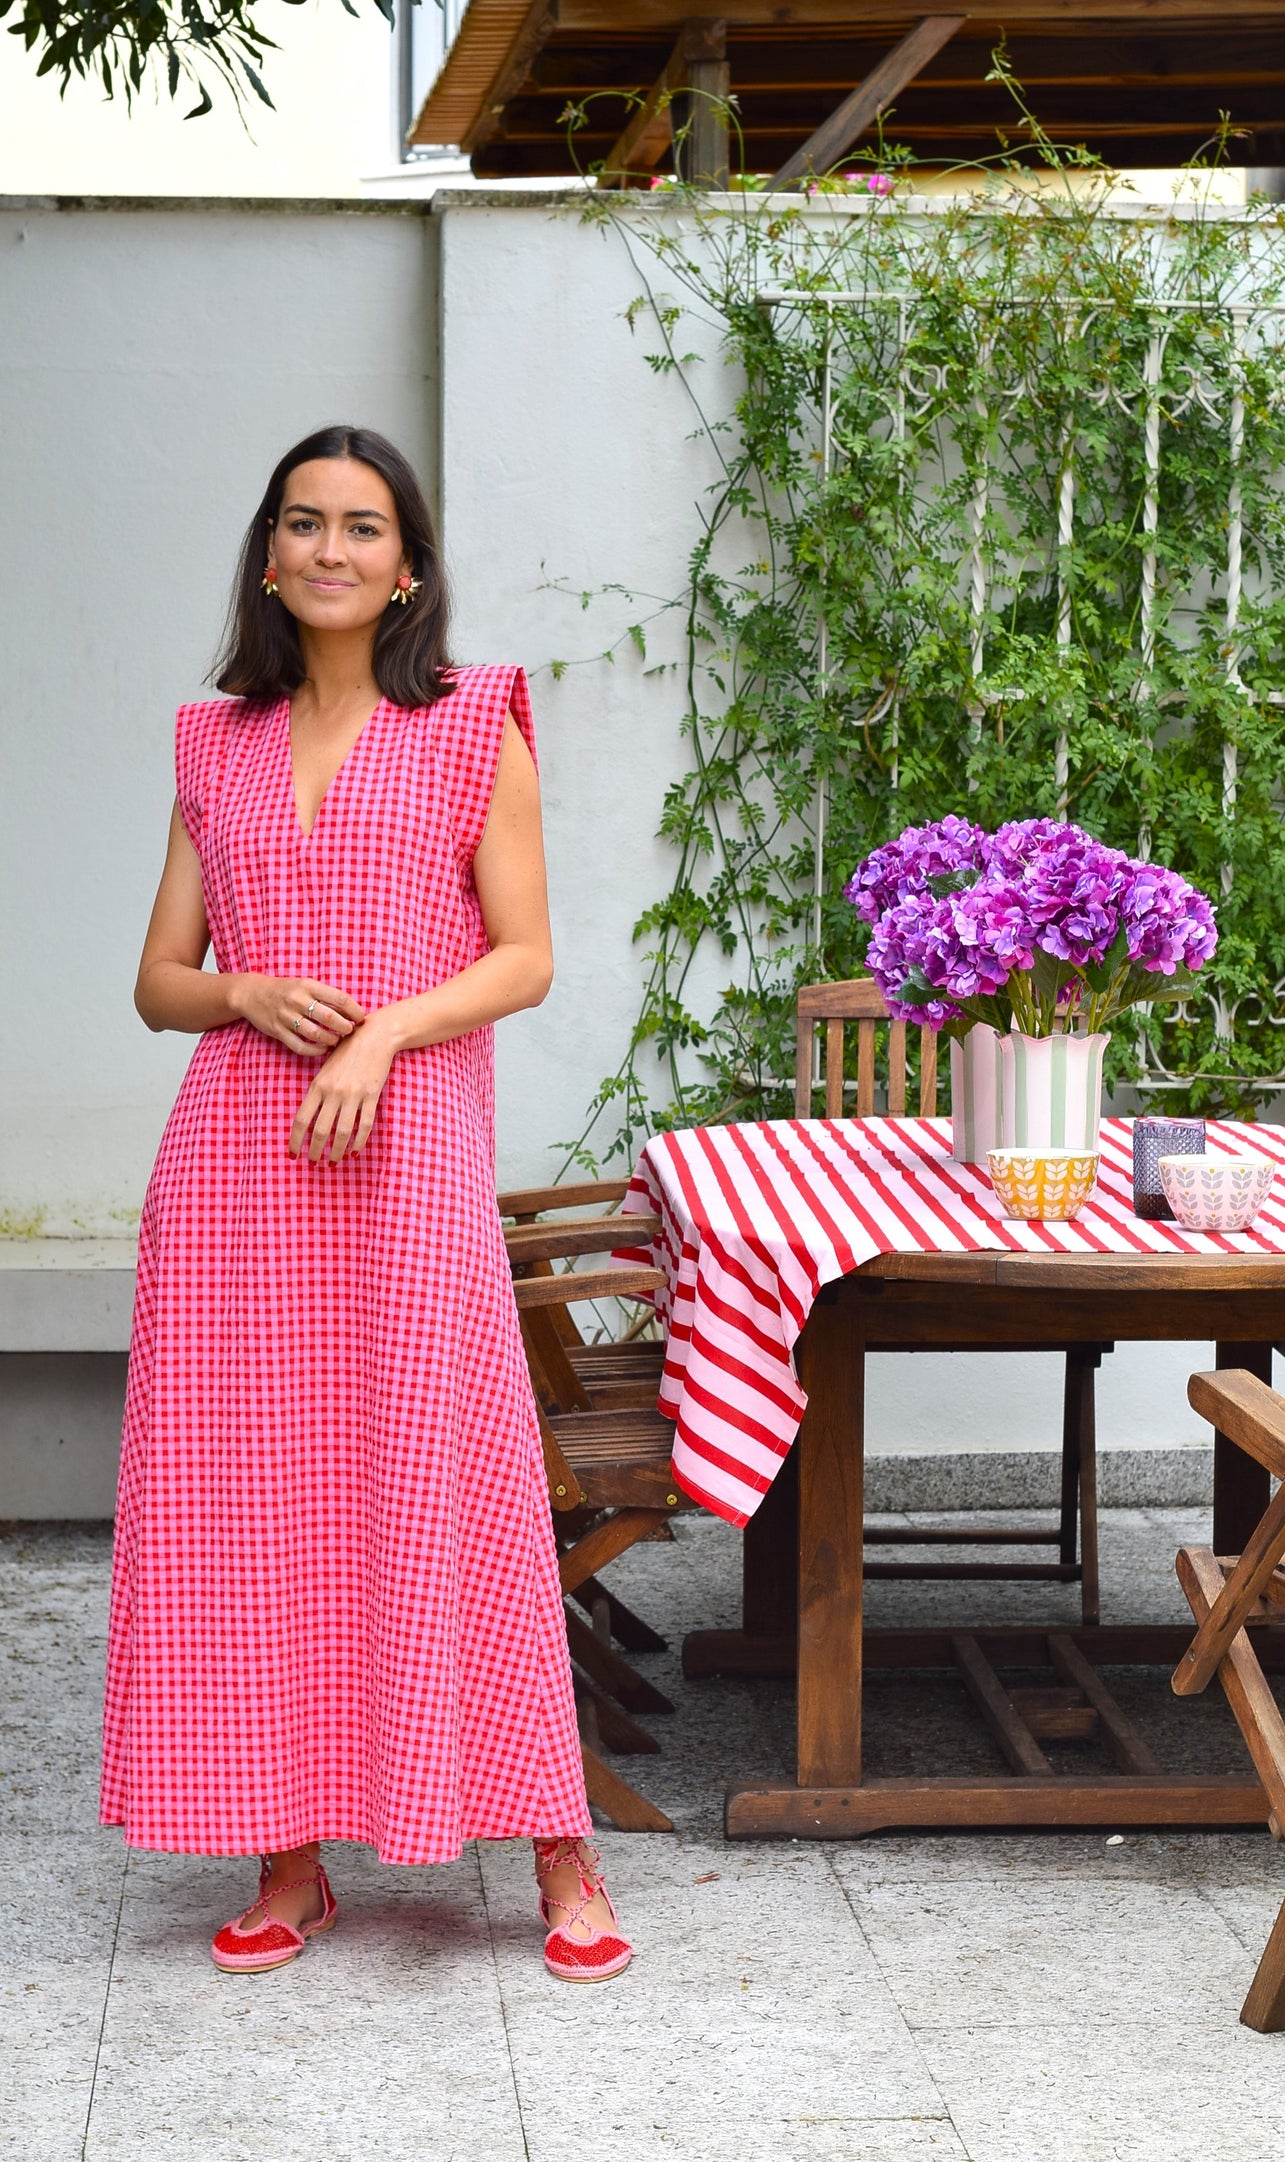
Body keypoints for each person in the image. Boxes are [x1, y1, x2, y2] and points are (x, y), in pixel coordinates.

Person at [101, 423, 629, 1983]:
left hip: (407, 1164)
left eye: (365, 526)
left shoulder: (475, 721)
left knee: (451, 1481)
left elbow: (524, 957)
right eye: (305, 524)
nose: (333, 549)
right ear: (269, 557)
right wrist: (247, 988)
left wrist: (392, 1026)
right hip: (232, 1176)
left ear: (409, 567)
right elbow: (156, 984)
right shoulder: (213, 742)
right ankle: (289, 1853)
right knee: (258, 1511)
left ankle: (559, 1846)